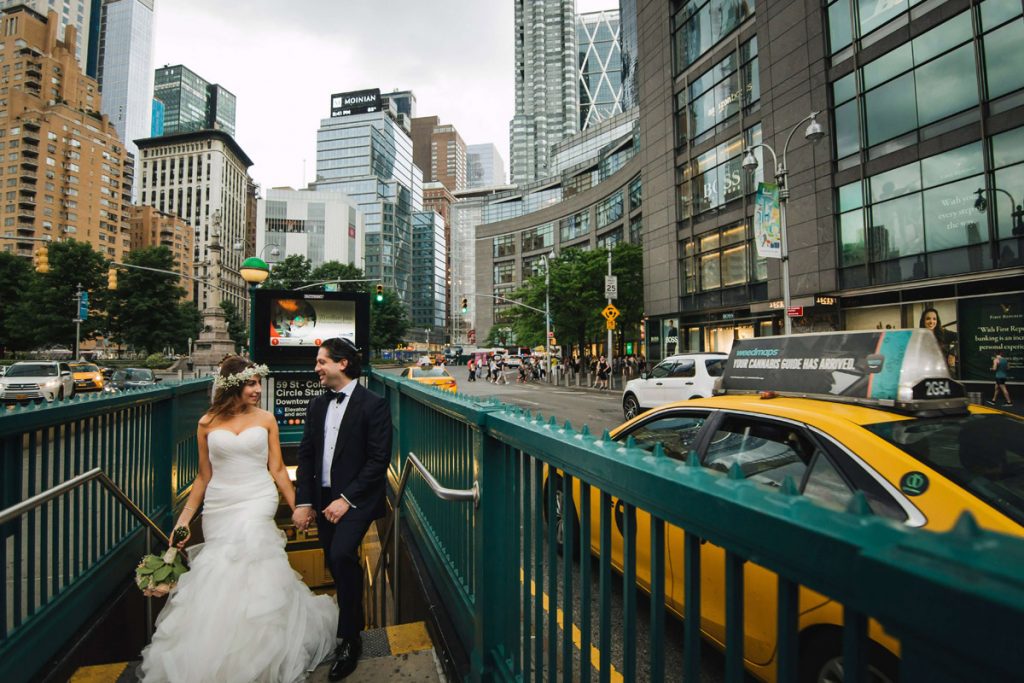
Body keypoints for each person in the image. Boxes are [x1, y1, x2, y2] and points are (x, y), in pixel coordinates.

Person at [140, 356, 336, 683]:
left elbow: (276, 469)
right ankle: (224, 648)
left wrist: (299, 506)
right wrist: (183, 520)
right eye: (251, 384)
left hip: (257, 499)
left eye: (259, 383)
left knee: (254, 559)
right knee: (222, 571)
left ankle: (265, 648)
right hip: (219, 504)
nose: (258, 389)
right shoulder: (206, 424)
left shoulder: (267, 420)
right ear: (233, 386)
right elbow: (203, 477)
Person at [292, 338, 393, 681]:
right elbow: (306, 456)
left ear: (342, 364)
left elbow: (378, 460)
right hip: (322, 500)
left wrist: (346, 499)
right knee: (336, 562)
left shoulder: (374, 405)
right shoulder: (316, 406)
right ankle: (353, 617)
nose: (316, 368)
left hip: (358, 500)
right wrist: (304, 502)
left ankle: (350, 639)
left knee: (340, 555)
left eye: (322, 362)